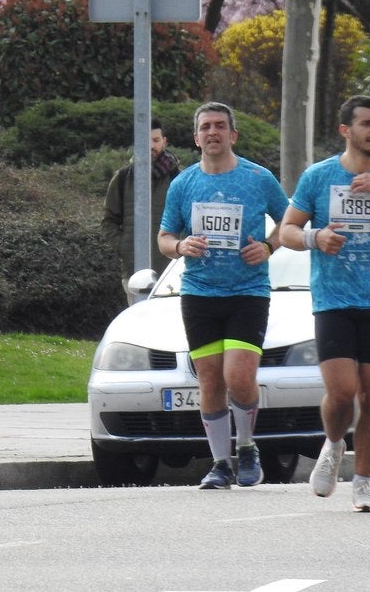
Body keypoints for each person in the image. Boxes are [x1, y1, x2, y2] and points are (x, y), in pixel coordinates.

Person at [278, 95, 370, 513]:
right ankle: (332, 444)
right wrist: (315, 237)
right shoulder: (319, 176)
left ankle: (363, 482)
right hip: (334, 298)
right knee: (342, 392)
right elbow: (287, 229)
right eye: (366, 124)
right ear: (346, 130)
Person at [157, 102, 289, 490]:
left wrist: (267, 246)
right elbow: (164, 238)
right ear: (196, 137)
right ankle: (220, 463)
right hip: (199, 292)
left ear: (233, 134)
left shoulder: (258, 177)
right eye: (205, 127)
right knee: (211, 379)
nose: (212, 133)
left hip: (248, 291)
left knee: (239, 374)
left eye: (220, 126)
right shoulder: (184, 183)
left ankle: (247, 448)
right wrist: (181, 247)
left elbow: (290, 222)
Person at [102, 118, 181, 305]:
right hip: (133, 272)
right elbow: (109, 221)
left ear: (164, 142)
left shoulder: (179, 178)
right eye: (145, 140)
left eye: (156, 140)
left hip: (171, 274)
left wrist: (180, 251)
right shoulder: (122, 178)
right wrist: (125, 248)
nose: (151, 146)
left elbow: (190, 221)